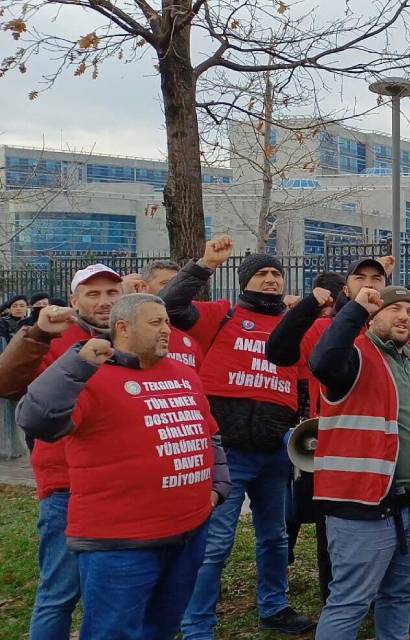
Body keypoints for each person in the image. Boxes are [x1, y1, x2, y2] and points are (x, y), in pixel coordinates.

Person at [17, 294, 231, 639]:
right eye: (155, 323)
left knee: (162, 627)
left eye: (167, 323)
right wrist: (76, 366)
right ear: (123, 327)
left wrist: (217, 489)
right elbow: (37, 420)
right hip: (120, 543)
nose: (166, 331)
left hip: (188, 533)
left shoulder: (184, 373)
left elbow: (210, 434)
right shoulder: (90, 374)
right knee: (112, 632)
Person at [164, 235, 315, 638]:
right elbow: (170, 306)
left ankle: (275, 607)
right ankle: (197, 625)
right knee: (215, 545)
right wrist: (204, 264)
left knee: (275, 537)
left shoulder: (291, 327)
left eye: (276, 274)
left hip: (274, 452)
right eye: (262, 273)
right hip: (228, 453)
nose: (270, 280)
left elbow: (301, 386)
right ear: (245, 281)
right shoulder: (222, 315)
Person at [307, 286, 410, 640]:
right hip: (362, 505)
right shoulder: (353, 357)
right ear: (372, 316)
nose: (404, 316)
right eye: (393, 309)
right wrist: (354, 310)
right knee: (350, 602)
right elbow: (322, 361)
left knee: (399, 594)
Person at [0, 264, 121, 640]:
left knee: (112, 595)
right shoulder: (54, 336)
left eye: (111, 293)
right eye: (93, 294)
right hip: (68, 485)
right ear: (74, 301)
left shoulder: (132, 337)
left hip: (120, 487)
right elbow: (7, 383)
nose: (104, 302)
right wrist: (35, 334)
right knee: (60, 593)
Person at [265, 260, 389, 608]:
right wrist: (308, 305)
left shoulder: (396, 325)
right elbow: (278, 351)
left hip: (384, 451)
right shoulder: (324, 330)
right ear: (346, 289)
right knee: (332, 534)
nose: (369, 284)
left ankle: (384, 603)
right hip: (333, 452)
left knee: (385, 531)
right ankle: (336, 606)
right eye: (359, 277)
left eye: (376, 278)